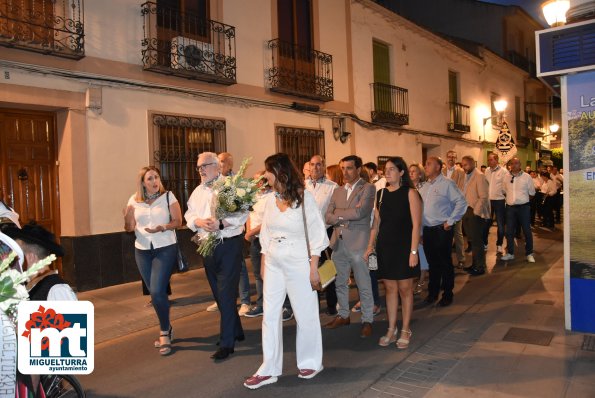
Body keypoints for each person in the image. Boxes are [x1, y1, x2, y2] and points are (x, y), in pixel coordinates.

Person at [244, 153, 328, 390]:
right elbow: (266, 233)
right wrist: (263, 261)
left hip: (299, 261)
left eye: (267, 170)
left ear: (279, 171)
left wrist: (313, 268)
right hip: (273, 262)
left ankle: (311, 361)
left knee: (305, 313)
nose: (265, 175)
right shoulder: (270, 200)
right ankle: (269, 369)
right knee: (269, 316)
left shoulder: (305, 199)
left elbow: (318, 236)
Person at [185, 152, 248, 361]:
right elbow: (189, 213)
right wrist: (199, 222)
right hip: (207, 246)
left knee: (226, 292)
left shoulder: (230, 186)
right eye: (199, 167)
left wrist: (220, 224)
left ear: (217, 166)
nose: (201, 170)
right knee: (218, 292)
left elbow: (241, 215)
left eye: (204, 166)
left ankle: (227, 343)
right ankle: (237, 331)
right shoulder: (197, 191)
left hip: (229, 244)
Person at [5, 222, 77, 397]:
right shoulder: (24, 287)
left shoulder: (57, 289)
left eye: (15, 257)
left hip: (34, 373)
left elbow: (71, 340)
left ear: (29, 258)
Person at [124, 166, 181, 356]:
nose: (155, 181)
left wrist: (162, 227)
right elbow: (129, 227)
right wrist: (127, 216)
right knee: (155, 295)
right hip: (142, 250)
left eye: (156, 177)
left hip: (165, 248)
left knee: (157, 291)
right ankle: (168, 326)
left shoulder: (168, 197)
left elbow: (178, 221)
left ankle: (164, 331)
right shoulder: (134, 200)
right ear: (143, 182)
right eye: (150, 179)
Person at [365, 157, 421, 349]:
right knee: (389, 289)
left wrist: (413, 251)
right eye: (385, 170)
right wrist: (370, 246)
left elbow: (416, 225)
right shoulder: (380, 194)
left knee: (405, 289)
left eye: (391, 169)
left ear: (401, 172)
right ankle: (391, 328)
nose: (387, 173)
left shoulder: (411, 193)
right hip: (386, 248)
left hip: (404, 248)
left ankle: (405, 328)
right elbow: (376, 224)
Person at [325, 155, 376, 338]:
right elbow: (327, 216)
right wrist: (346, 214)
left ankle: (367, 319)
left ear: (358, 168)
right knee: (340, 282)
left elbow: (362, 213)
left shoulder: (368, 188)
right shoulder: (337, 190)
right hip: (338, 242)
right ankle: (344, 315)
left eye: (349, 168)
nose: (344, 172)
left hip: (359, 242)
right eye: (342, 168)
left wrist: (338, 215)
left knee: (363, 283)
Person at [204, 152, 251, 316]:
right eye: (218, 161)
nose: (220, 163)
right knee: (219, 269)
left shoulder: (237, 183)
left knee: (240, 268)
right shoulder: (210, 182)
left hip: (232, 234)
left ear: (230, 164)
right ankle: (222, 300)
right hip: (214, 234)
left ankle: (245, 301)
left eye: (222, 161)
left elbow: (244, 210)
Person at [419, 157, 467, 307]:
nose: (425, 166)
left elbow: (461, 202)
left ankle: (447, 293)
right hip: (427, 231)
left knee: (445, 263)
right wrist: (420, 231)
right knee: (432, 264)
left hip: (441, 230)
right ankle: (432, 293)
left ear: (438, 167)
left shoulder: (447, 184)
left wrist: (451, 221)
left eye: (428, 164)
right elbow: (420, 211)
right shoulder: (424, 186)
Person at [305, 155, 339, 315]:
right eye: (312, 165)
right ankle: (313, 304)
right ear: (308, 167)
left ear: (323, 166)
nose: (315, 167)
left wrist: (335, 236)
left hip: (326, 232)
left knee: (327, 270)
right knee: (309, 270)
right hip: (305, 235)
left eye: (319, 165)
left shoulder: (333, 187)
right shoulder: (302, 186)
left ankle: (332, 304)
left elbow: (338, 213)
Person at [243, 171, 272, 318]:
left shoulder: (272, 197)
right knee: (257, 274)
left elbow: (268, 220)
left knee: (272, 274)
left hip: (267, 239)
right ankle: (261, 305)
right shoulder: (253, 196)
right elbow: (249, 214)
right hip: (255, 239)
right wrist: (248, 231)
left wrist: (251, 232)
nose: (257, 183)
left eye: (260, 180)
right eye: (255, 180)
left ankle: (283, 306)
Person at [460, 156, 491, 276]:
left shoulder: (479, 176)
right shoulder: (466, 175)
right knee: (471, 240)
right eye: (462, 165)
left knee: (477, 241)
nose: (464, 167)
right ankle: (474, 264)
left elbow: (483, 196)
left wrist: (475, 212)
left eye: (466, 164)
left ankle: (480, 266)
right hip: (466, 210)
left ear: (473, 164)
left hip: (475, 212)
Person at [501, 157, 536, 263]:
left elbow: (532, 193)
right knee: (509, 231)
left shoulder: (527, 177)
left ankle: (529, 253)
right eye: (512, 163)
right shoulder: (506, 177)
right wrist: (512, 200)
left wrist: (522, 201)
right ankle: (510, 253)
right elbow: (504, 191)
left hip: (523, 208)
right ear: (510, 165)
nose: (514, 165)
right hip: (510, 208)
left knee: (526, 231)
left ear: (520, 165)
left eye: (517, 163)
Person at [442, 150, 466, 267]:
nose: (451, 159)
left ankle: (461, 258)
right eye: (449, 156)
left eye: (453, 157)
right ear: (446, 158)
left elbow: (461, 189)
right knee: (444, 234)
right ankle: (445, 259)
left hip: (455, 207)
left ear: (456, 159)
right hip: (443, 208)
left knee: (457, 233)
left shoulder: (460, 172)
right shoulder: (442, 171)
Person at [409, 163, 429, 294]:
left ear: (420, 174)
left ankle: (421, 279)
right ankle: (412, 279)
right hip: (409, 226)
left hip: (422, 225)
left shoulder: (425, 188)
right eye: (409, 171)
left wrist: (421, 231)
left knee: (421, 255)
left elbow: (425, 210)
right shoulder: (407, 188)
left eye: (414, 171)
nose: (411, 174)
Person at [484, 153, 507, 254]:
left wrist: (504, 194)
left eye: (491, 160)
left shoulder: (504, 171)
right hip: (488, 201)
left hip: (499, 201)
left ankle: (499, 244)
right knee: (486, 224)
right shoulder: (487, 170)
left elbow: (506, 186)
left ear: (496, 160)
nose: (489, 161)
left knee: (500, 225)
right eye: (488, 160)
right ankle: (484, 243)